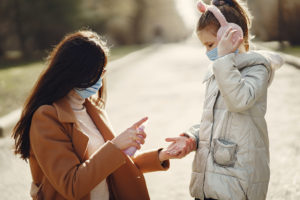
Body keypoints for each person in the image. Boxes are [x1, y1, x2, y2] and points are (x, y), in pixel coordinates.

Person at [12, 30, 194, 200]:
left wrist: (161, 156)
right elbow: (71, 185)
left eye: (104, 70)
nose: (102, 77)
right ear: (75, 72)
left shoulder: (91, 107)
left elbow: (111, 165)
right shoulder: (46, 118)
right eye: (98, 72)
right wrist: (116, 145)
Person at [165, 0, 284, 200]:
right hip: (210, 181)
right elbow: (215, 120)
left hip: (236, 181)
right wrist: (192, 137)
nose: (207, 52)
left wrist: (223, 61)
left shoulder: (256, 68)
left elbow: (239, 101)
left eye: (210, 44)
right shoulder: (219, 69)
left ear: (233, 36)